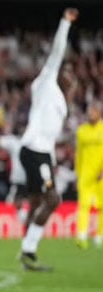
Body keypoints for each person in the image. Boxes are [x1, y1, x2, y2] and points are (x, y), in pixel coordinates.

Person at [17, 7, 78, 271]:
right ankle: (28, 250)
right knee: (53, 200)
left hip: (42, 152)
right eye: (68, 72)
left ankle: (25, 249)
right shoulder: (45, 82)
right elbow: (56, 52)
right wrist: (65, 23)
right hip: (34, 150)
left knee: (37, 201)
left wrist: (66, 141)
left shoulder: (61, 103)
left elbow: (52, 131)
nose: (71, 77)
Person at [74, 102, 103, 249]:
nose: (91, 114)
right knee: (84, 205)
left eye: (94, 112)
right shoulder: (81, 131)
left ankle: (100, 236)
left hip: (101, 175)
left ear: (99, 113)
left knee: (102, 206)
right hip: (85, 174)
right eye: (89, 112)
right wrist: (77, 173)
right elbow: (78, 154)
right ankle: (82, 236)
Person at [0, 133, 28, 225]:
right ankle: (18, 221)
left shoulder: (34, 143)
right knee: (11, 201)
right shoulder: (14, 142)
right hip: (18, 180)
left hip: (29, 179)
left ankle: (23, 221)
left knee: (26, 201)